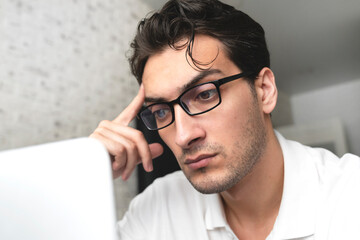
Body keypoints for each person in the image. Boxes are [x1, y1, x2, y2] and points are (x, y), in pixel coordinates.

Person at [90, 0, 360, 239]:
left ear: (264, 90)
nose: (184, 136)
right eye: (161, 111)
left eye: (205, 94)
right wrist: (82, 171)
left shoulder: (350, 197)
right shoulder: (157, 208)